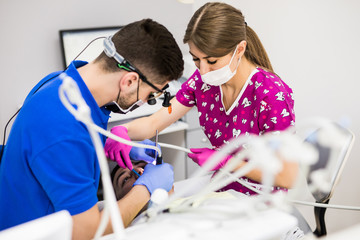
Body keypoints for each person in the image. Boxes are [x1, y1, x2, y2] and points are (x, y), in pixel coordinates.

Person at [0, 18, 184, 239]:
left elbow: (56, 152)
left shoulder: (66, 85)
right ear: (129, 81)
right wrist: (145, 189)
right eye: (152, 94)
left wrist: (106, 145)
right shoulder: (63, 129)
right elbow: (87, 232)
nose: (146, 101)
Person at [105, 2, 298, 196]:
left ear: (239, 50)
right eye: (196, 59)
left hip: (262, 201)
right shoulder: (202, 82)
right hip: (223, 190)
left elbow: (287, 177)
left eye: (212, 61)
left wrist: (225, 161)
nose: (203, 70)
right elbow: (156, 121)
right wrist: (123, 131)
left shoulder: (271, 94)